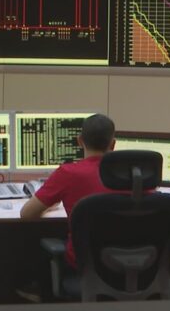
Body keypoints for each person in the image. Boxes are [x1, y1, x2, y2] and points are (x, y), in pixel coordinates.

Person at [19, 113, 115, 269]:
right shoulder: (133, 176)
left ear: (79, 141)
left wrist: (49, 207)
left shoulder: (68, 173)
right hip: (135, 263)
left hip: (83, 264)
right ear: (113, 144)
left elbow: (26, 214)